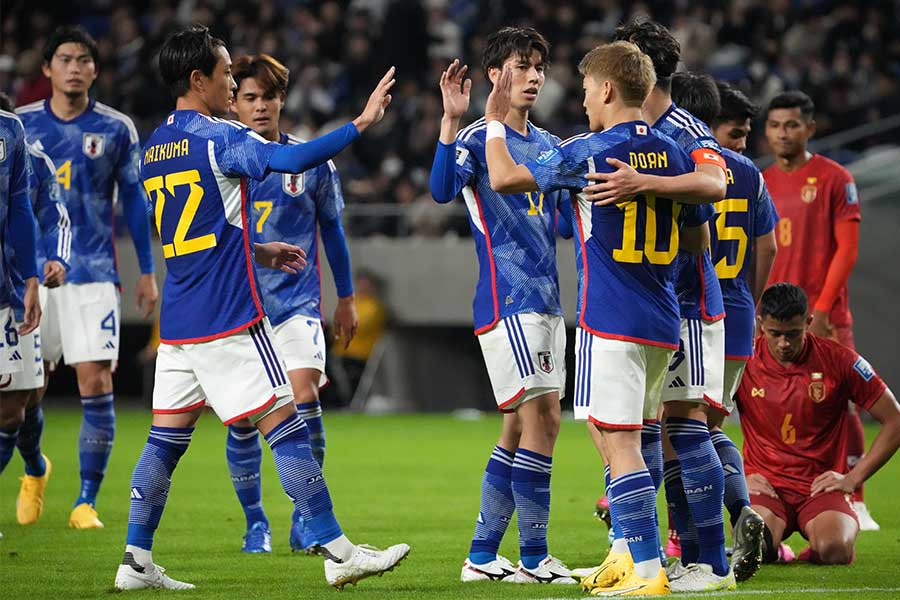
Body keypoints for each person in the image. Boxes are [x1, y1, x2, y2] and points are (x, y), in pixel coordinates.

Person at [113, 24, 408, 591]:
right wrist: (361, 123)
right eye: (225, 73)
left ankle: (136, 561)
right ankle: (340, 552)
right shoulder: (220, 137)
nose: (231, 83)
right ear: (197, 78)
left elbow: (197, 229)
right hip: (229, 316)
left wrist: (257, 249)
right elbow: (293, 158)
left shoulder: (155, 146)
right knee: (287, 427)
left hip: (179, 321)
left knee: (164, 443)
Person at [484, 39, 707, 596]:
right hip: (662, 317)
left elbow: (504, 179)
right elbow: (698, 236)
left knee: (618, 442)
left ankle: (648, 571)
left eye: (585, 89)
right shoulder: (673, 152)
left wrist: (492, 123)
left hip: (610, 318)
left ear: (607, 89)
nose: (582, 99)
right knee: (633, 437)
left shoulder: (587, 150)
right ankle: (628, 556)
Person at [578, 18, 735, 593]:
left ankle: (708, 563)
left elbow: (714, 188)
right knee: (629, 430)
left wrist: (645, 185)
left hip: (681, 297)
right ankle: (629, 552)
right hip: (642, 294)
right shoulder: (632, 136)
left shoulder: (681, 128)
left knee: (682, 426)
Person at [429, 27, 577, 585]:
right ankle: (535, 559)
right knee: (544, 419)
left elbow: (561, 224)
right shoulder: (475, 139)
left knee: (518, 425)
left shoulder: (547, 143)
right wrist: (449, 121)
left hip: (547, 298)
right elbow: (442, 190)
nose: (534, 76)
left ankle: (483, 555)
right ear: (495, 74)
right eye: (521, 65)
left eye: (539, 66)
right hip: (508, 297)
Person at [16, 25, 158, 528]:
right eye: (65, 59)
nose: (74, 68)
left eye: (83, 60)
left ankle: (85, 501)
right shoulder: (19, 125)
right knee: (24, 394)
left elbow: (135, 200)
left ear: (95, 69)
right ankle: (35, 468)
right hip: (31, 276)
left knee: (95, 380)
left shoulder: (117, 128)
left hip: (95, 272)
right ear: (47, 69)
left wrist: (147, 271)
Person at [226, 52, 359, 554]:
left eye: (269, 96)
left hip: (297, 305)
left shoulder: (313, 162)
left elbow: (333, 231)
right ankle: (255, 522)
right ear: (235, 103)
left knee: (304, 397)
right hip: (241, 307)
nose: (260, 106)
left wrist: (346, 297)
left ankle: (306, 518)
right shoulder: (224, 161)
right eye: (250, 97)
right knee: (243, 418)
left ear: (283, 99)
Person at [668, 73, 779, 582]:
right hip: (735, 312)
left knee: (679, 433)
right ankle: (739, 512)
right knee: (710, 427)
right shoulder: (751, 174)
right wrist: (750, 303)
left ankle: (701, 540)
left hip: (692, 307)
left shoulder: (685, 166)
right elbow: (768, 246)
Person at [762, 90, 875, 530]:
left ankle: (855, 496)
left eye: (791, 125)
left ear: (810, 128)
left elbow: (847, 250)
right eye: (775, 126)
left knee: (844, 403)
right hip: (774, 320)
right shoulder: (762, 181)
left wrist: (823, 308)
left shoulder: (834, 178)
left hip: (823, 315)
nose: (782, 134)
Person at [737, 283, 900, 565]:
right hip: (765, 486)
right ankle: (777, 550)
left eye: (793, 334)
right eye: (775, 334)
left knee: (835, 549)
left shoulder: (839, 360)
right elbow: (705, 425)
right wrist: (739, 475)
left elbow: (895, 419)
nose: (784, 344)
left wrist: (853, 478)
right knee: (756, 545)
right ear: (760, 324)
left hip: (820, 488)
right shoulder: (742, 360)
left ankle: (814, 548)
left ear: (808, 322)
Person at [0, 91, 70, 527]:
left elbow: (51, 215)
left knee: (24, 402)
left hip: (29, 288)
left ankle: (34, 467)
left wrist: (52, 261)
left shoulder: (27, 151)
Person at [0, 101, 43, 532]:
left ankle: (35, 467)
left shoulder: (10, 130)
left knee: (13, 411)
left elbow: (19, 208)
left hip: (4, 292)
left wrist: (31, 278)